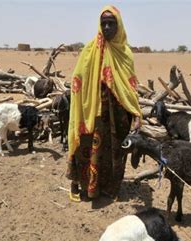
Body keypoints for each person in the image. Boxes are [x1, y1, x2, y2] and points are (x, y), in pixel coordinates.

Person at [67, 5, 142, 202]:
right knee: (91, 150)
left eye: (111, 23)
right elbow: (78, 78)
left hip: (118, 115)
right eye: (104, 24)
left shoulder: (125, 53)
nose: (107, 27)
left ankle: (110, 188)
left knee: (116, 152)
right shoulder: (90, 50)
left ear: (119, 25)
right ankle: (89, 188)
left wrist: (136, 114)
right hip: (93, 111)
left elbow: (130, 88)